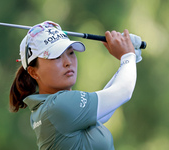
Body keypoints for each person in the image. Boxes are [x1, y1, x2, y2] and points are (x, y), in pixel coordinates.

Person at [9, 21, 142, 150]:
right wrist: (127, 55)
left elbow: (105, 109)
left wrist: (130, 58)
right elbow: (123, 91)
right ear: (33, 72)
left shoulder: (47, 108)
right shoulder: (59, 106)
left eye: (71, 53)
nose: (68, 62)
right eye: (56, 57)